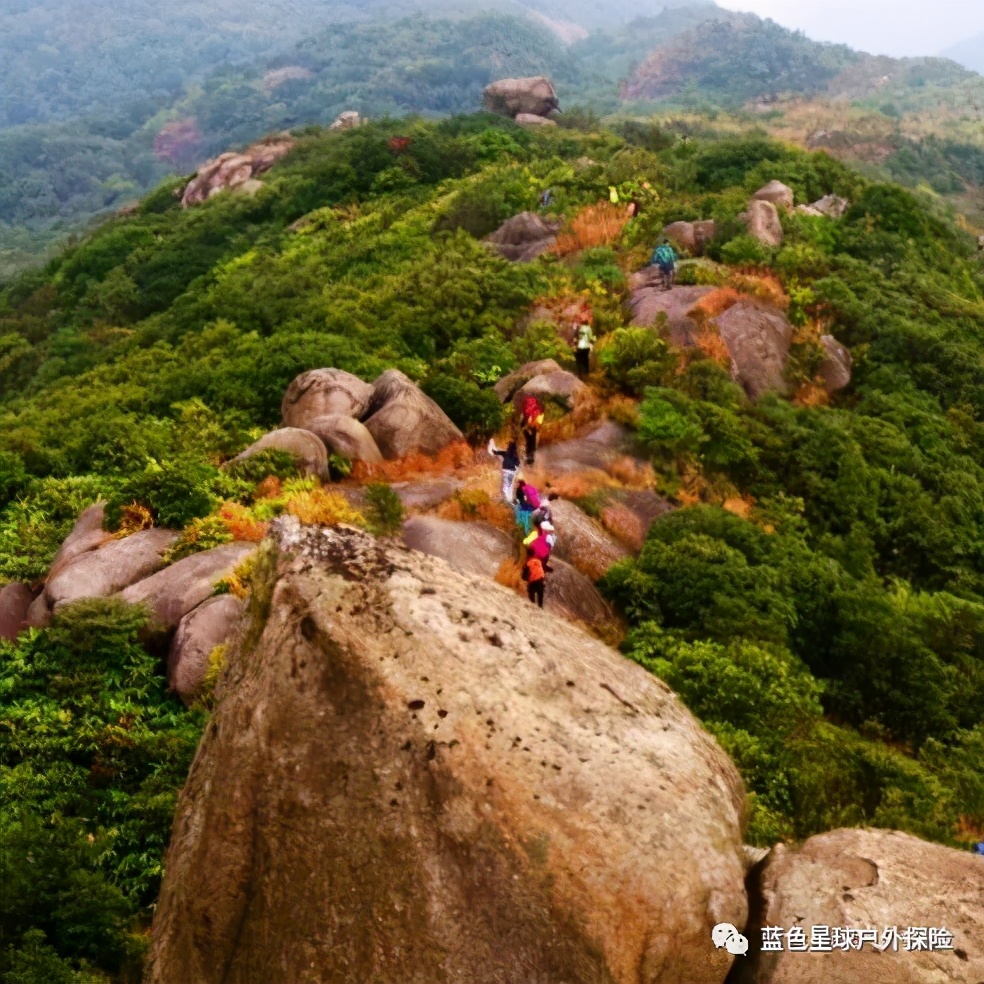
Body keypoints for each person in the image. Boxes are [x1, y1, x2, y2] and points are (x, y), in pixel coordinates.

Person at [488, 438, 520, 502]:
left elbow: (494, 452)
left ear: (509, 447)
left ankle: (506, 500)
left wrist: (491, 444)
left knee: (505, 486)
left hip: (506, 471)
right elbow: (518, 464)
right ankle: (509, 500)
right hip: (512, 472)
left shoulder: (505, 453)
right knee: (509, 486)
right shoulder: (516, 456)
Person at [520, 396, 544, 466]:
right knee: (527, 428)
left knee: (528, 428)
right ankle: (534, 404)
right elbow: (529, 447)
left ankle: (534, 404)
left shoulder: (532, 454)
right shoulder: (531, 454)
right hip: (530, 440)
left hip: (531, 440)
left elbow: (531, 447)